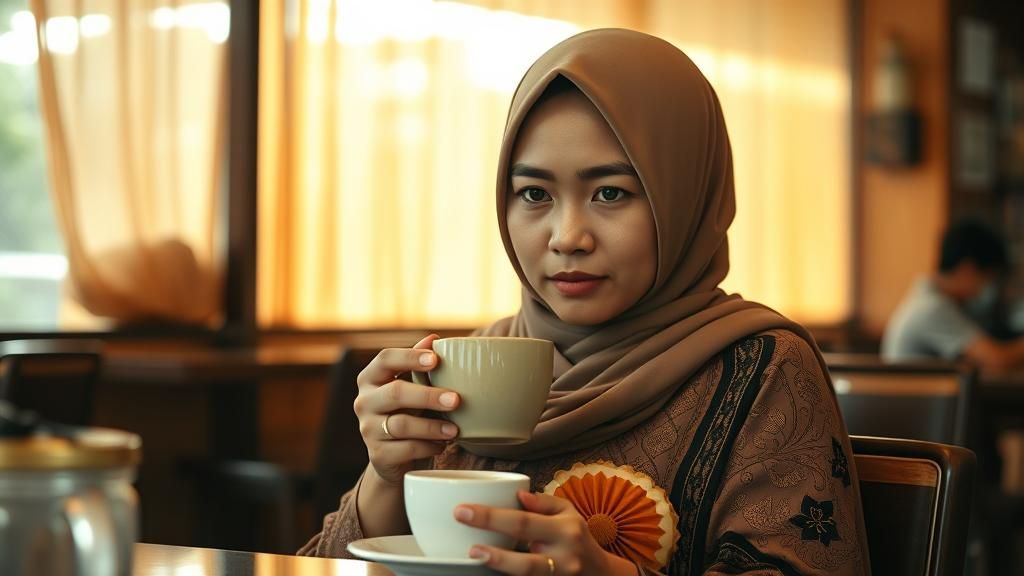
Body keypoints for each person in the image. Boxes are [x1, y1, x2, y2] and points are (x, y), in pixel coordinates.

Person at [299, 29, 868, 575]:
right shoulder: (478, 362)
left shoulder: (761, 368)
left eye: (610, 192)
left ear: (686, 198)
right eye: (534, 194)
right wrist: (387, 475)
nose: (568, 236)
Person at [883, 219, 1024, 374]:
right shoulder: (932, 308)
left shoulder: (933, 301)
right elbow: (997, 360)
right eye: (988, 279)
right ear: (967, 269)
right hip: (914, 397)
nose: (988, 288)